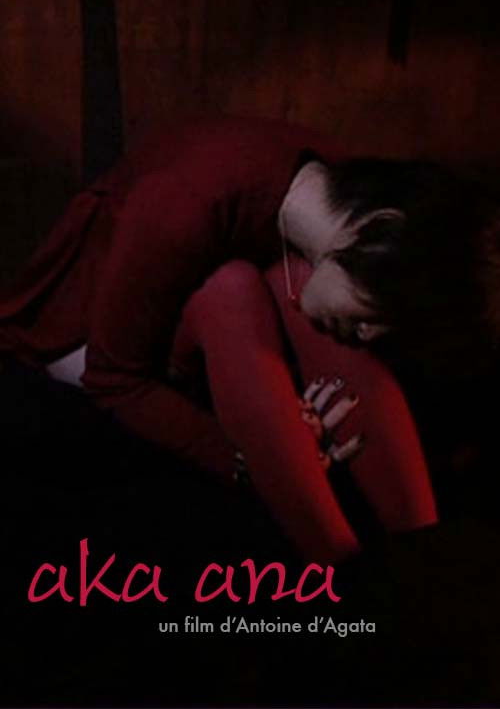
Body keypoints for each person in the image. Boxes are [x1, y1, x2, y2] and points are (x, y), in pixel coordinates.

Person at [2, 115, 493, 564]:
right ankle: (339, 571)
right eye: (381, 314)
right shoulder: (185, 200)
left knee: (297, 279)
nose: (373, 335)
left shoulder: (339, 194)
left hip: (188, 320)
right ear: (379, 225)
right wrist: (239, 458)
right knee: (234, 287)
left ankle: (424, 554)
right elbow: (113, 379)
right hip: (86, 339)